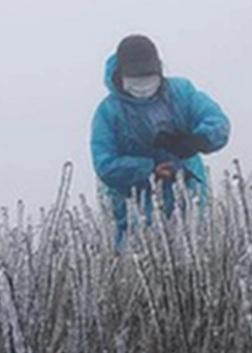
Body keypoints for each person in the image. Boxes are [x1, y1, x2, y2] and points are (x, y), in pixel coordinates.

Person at [90, 34, 231, 250]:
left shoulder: (181, 92)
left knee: (199, 264)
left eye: (149, 78)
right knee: (142, 273)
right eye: (136, 80)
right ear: (120, 76)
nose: (144, 87)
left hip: (191, 200)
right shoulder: (108, 113)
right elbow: (105, 165)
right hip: (135, 213)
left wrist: (198, 140)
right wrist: (150, 170)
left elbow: (218, 122)